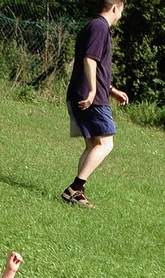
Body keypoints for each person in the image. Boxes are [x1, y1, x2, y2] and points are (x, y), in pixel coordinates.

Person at [63, 0, 128, 208]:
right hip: (91, 96)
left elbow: (97, 68)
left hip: (83, 93)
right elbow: (89, 60)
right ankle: (75, 187)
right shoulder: (100, 27)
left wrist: (112, 90)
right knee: (106, 144)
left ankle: (77, 194)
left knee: (93, 144)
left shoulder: (93, 26)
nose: (120, 16)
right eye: (121, 11)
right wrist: (93, 91)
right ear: (115, 7)